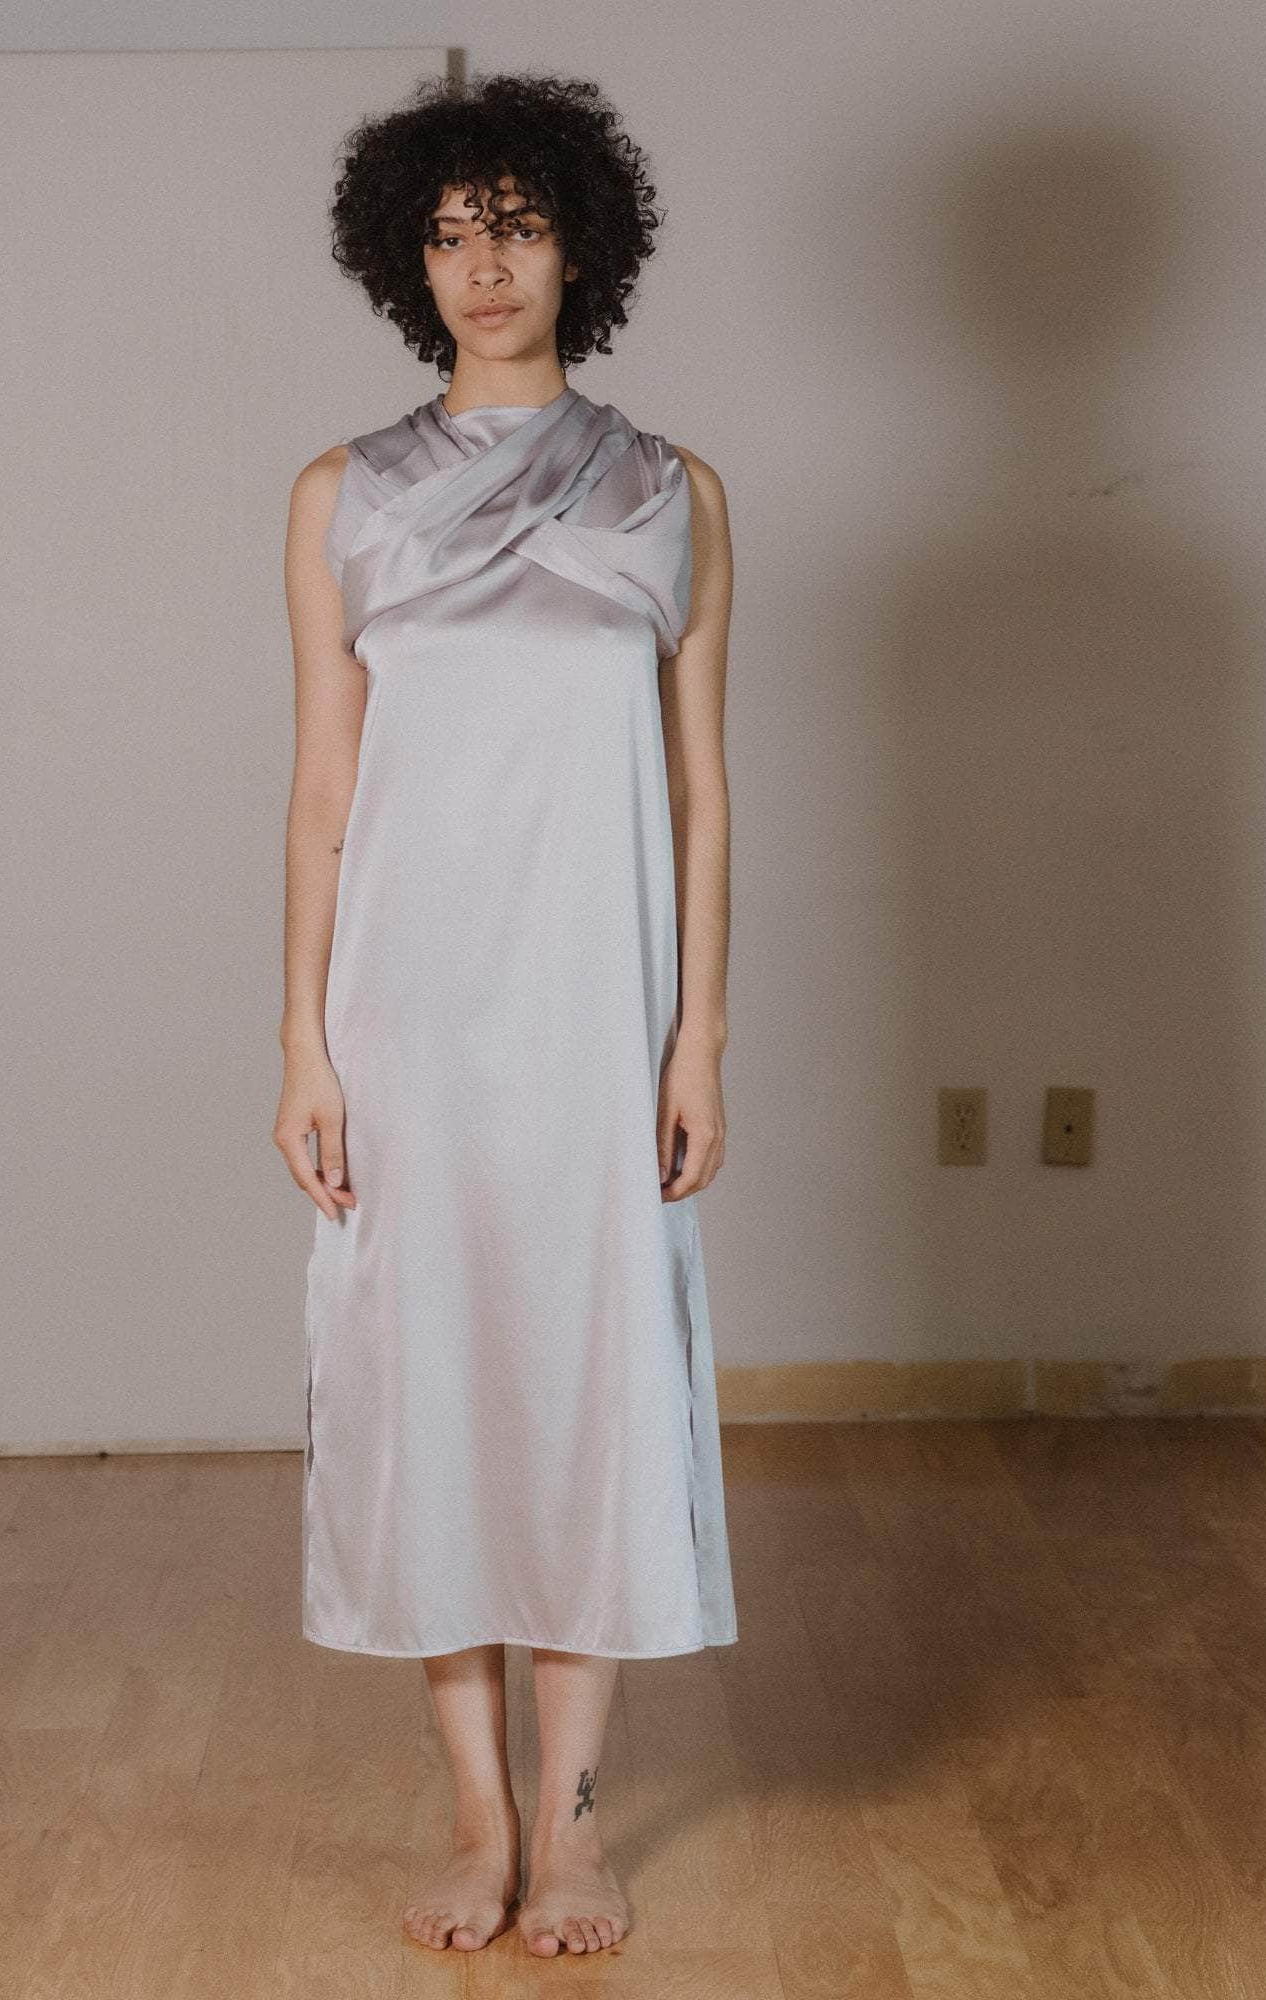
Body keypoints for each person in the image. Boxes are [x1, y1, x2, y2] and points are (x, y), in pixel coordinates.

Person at [274, 70, 737, 1960]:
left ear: (581, 246)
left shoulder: (674, 493)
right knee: (428, 1396)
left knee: (591, 1392)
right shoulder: (341, 497)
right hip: (410, 1021)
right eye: (450, 234)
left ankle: (578, 1820)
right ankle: (479, 1816)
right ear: (408, 260)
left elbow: (702, 792)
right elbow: (322, 793)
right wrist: (301, 1044)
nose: (484, 266)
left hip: (596, 1016)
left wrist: (697, 1039)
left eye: (518, 226)